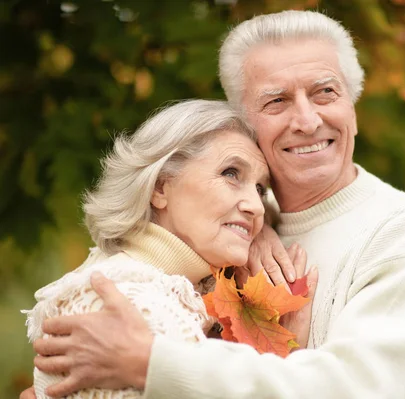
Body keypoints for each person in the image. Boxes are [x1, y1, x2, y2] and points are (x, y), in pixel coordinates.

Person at [25, 10, 405, 399]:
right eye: (277, 100)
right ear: (245, 125)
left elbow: (357, 389)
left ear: (353, 107)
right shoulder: (221, 242)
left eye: (325, 92)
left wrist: (152, 364)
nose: (307, 119)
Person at [21, 99, 316, 398]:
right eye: (230, 173)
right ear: (161, 187)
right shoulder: (118, 300)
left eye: (260, 189)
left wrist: (278, 350)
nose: (256, 207)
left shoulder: (187, 294)